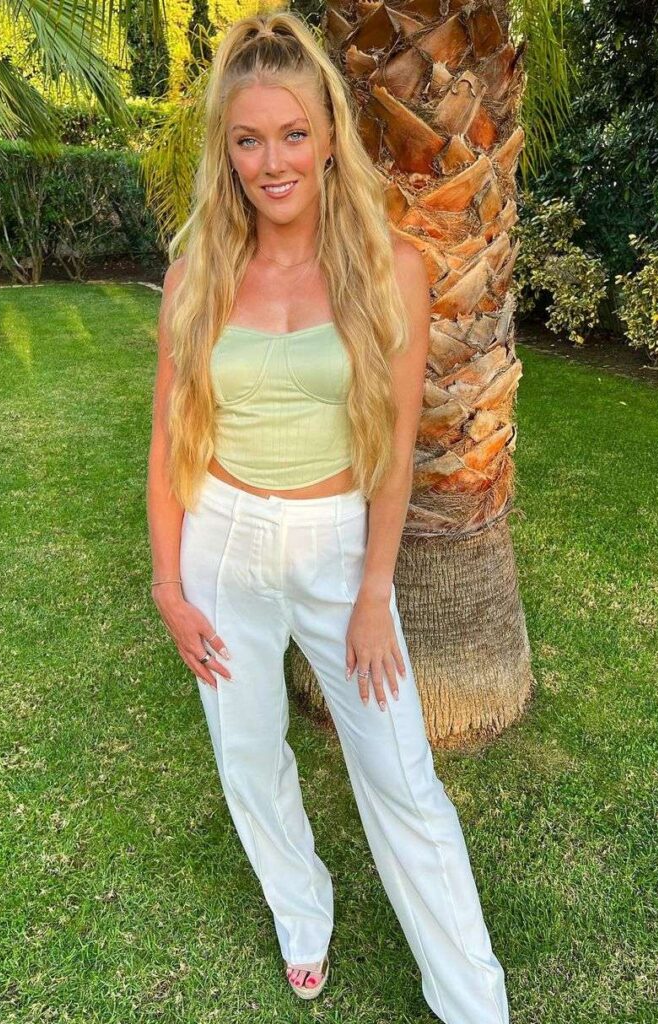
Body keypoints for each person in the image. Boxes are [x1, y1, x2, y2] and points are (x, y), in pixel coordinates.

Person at [146, 12, 510, 1023]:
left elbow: (389, 452)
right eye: (248, 139)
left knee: (398, 776)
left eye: (292, 133)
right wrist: (169, 585)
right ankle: (300, 913)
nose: (272, 161)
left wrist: (369, 595)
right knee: (248, 754)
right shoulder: (195, 276)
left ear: (326, 135)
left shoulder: (390, 269)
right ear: (226, 151)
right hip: (221, 541)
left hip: (336, 544)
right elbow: (168, 449)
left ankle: (472, 1000)